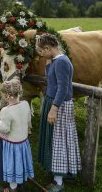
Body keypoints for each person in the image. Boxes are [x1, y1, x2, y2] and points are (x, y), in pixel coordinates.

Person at [36, 33, 81, 192]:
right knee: (55, 139)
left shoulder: (62, 62)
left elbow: (63, 88)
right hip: (54, 101)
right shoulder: (56, 60)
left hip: (59, 105)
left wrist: (53, 109)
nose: (41, 54)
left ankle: (59, 182)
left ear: (48, 48)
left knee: (59, 141)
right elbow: (52, 81)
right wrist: (48, 62)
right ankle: (58, 173)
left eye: (42, 51)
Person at [0, 80, 34, 192]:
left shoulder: (6, 111)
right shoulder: (25, 104)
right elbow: (28, 120)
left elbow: (4, 128)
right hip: (23, 142)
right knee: (19, 163)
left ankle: (12, 188)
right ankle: (20, 182)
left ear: (6, 95)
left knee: (12, 165)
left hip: (12, 145)